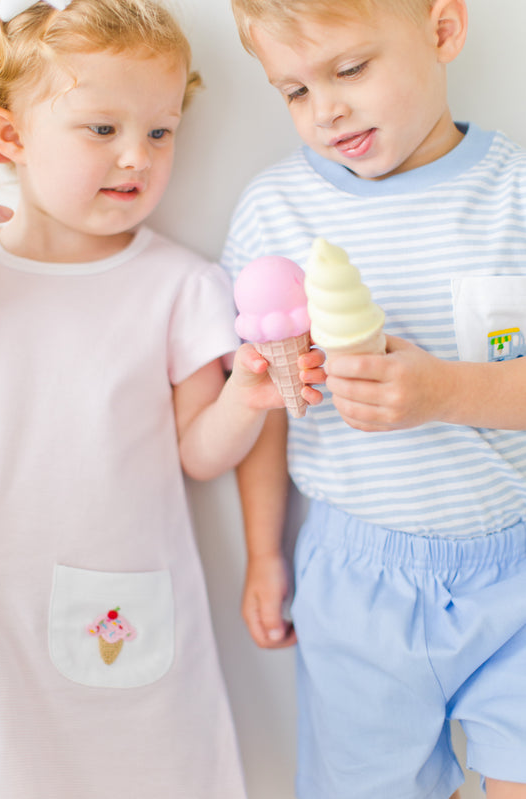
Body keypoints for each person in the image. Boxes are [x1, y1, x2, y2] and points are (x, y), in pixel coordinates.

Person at [222, 1, 526, 798]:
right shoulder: (275, 211)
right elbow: (260, 402)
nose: (326, 110)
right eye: (292, 91)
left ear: (442, 30)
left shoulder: (514, 194)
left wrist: (445, 390)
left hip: (516, 558)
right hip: (359, 579)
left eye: (350, 69)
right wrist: (262, 551)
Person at [0, 0, 290, 795]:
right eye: (102, 129)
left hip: (111, 603)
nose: (137, 157)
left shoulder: (178, 286)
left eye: (160, 131)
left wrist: (247, 397)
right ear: (10, 138)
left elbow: (200, 452)